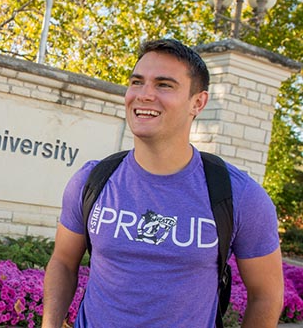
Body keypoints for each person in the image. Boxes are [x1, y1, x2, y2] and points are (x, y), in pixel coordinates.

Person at [42, 38, 284, 328]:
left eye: (164, 85)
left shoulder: (239, 195)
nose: (144, 95)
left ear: (198, 102)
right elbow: (63, 263)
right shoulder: (92, 181)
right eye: (137, 82)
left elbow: (267, 295)